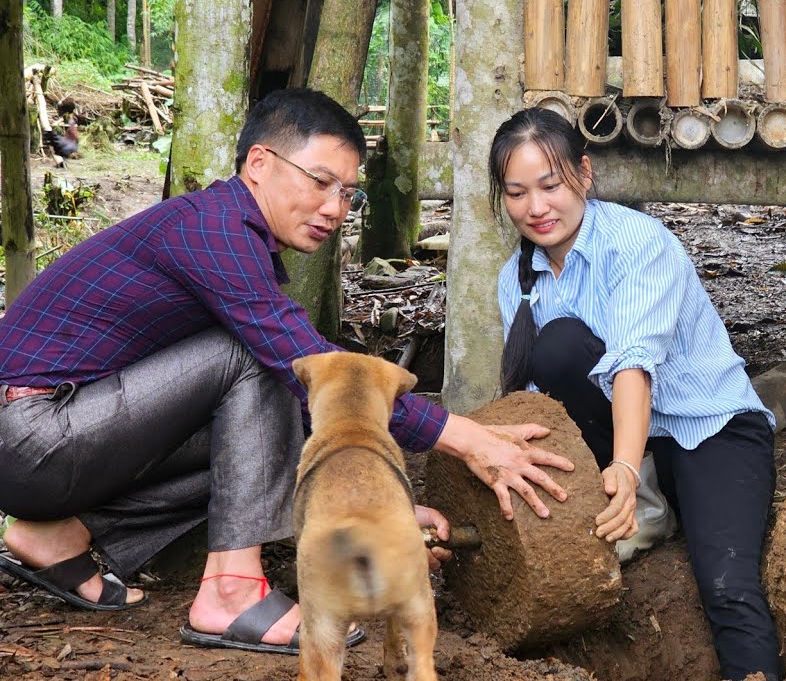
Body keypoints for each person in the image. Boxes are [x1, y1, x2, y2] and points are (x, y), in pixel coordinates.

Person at [0, 88, 574, 654]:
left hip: (55, 440)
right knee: (263, 360)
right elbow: (320, 376)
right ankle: (230, 591)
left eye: (349, 193)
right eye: (320, 181)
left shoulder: (230, 234)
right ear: (259, 163)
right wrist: (468, 438)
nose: (335, 208)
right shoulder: (215, 231)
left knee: (273, 416)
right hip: (33, 433)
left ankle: (57, 533)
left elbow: (280, 431)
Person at [491, 108, 781, 681]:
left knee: (725, 585)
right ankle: (645, 502)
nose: (537, 207)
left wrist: (622, 466)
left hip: (708, 427)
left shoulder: (637, 243)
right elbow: (535, 398)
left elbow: (633, 368)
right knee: (558, 346)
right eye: (518, 193)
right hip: (626, 439)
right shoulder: (515, 279)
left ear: (585, 173)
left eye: (550, 185)